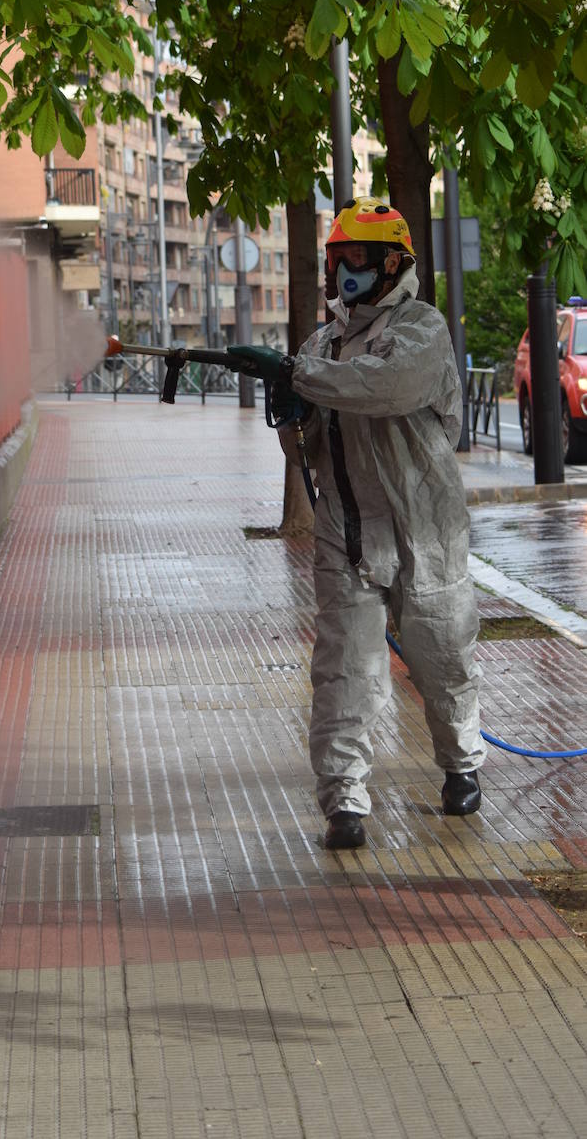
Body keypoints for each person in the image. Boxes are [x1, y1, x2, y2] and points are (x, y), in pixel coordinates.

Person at [230, 197, 485, 851]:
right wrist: (291, 411)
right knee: (345, 670)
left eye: (355, 259)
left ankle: (461, 762)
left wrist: (298, 374)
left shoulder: (421, 330)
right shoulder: (322, 343)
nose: (342, 270)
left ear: (391, 262)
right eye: (335, 257)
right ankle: (344, 800)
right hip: (347, 534)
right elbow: (307, 449)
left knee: (442, 658)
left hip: (424, 530)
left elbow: (386, 385)